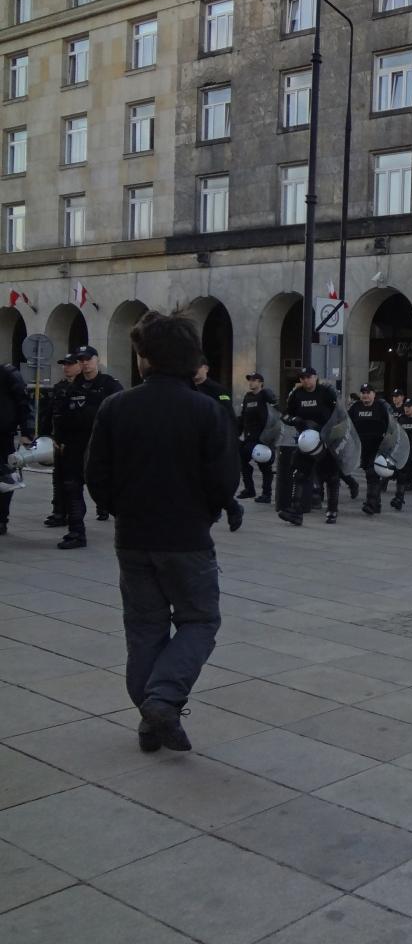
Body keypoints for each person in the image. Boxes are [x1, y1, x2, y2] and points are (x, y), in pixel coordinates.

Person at [85, 311, 239, 752]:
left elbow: (96, 475)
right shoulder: (206, 410)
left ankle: (151, 722)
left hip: (134, 538)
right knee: (200, 620)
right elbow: (224, 479)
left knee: (144, 629)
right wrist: (205, 512)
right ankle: (163, 700)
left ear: (146, 359)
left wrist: (122, 509)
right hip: (187, 538)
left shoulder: (116, 407)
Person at [53, 345, 123, 549]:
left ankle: (124, 527)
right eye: (81, 360)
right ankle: (76, 532)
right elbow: (61, 415)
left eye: (88, 359)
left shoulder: (109, 385)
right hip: (75, 447)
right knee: (72, 487)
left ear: (96, 360)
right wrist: (59, 439)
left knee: (112, 488)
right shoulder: (72, 387)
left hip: (102, 447)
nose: (84, 363)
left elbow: (121, 414)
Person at [278, 367, 341, 526]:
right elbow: (285, 415)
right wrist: (296, 420)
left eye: (308, 377)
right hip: (306, 440)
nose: (306, 380)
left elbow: (339, 413)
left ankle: (332, 511)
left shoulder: (326, 393)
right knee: (299, 474)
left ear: (315, 377)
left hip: (325, 440)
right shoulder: (296, 395)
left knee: (331, 476)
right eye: (302, 378)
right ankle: (295, 511)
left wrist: (330, 431)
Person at [194, 358, 244, 532]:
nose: (194, 370)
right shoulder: (186, 388)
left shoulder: (217, 390)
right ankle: (226, 509)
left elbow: (228, 417)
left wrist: (230, 442)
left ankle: (231, 508)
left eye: (198, 366)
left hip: (214, 443)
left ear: (206, 368)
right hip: (193, 443)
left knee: (214, 481)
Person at [41, 355, 80, 528]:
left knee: (76, 481)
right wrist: (44, 435)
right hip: (59, 440)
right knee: (59, 478)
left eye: (70, 364)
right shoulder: (59, 387)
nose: (66, 367)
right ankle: (59, 512)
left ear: (79, 366)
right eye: (64, 364)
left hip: (78, 441)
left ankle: (101, 508)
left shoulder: (83, 387)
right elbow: (49, 413)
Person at [0, 362, 34, 534]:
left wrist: (27, 432)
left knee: (6, 478)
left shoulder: (7, 373)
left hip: (3, 437)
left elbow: (24, 402)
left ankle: (1, 519)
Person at [349, 384, 392, 516]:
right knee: (371, 475)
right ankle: (377, 504)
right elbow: (347, 424)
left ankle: (371, 504)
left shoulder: (381, 407)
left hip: (378, 446)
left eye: (368, 392)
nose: (365, 395)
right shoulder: (355, 407)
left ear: (374, 394)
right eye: (363, 393)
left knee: (372, 473)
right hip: (362, 447)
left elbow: (391, 425)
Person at [237, 372, 277, 504]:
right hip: (249, 438)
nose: (251, 382)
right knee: (242, 461)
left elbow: (275, 409)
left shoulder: (264, 395)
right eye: (250, 380)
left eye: (254, 380)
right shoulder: (248, 397)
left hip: (262, 438)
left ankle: (266, 494)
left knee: (265, 466)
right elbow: (243, 416)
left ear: (260, 383)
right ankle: (249, 489)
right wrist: (237, 431)